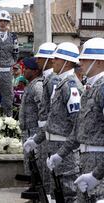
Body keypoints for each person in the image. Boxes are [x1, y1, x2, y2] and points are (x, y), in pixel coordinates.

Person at [47, 38, 104, 202]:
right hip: (86, 162)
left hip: (98, 165)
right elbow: (78, 130)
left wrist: (96, 174)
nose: (80, 62)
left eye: (85, 59)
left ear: (99, 62)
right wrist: (60, 154)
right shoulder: (90, 89)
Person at [31, 42, 82, 202]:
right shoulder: (61, 84)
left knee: (68, 195)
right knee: (56, 195)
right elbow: (54, 121)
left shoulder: (70, 86)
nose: (53, 61)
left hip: (65, 153)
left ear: (66, 62)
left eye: (56, 58)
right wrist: (36, 139)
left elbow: (77, 124)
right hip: (55, 149)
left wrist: (61, 153)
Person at [23, 42, 58, 195]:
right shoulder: (46, 79)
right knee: (42, 172)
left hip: (45, 132)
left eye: (40, 58)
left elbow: (50, 110)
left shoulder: (51, 80)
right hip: (43, 132)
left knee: (48, 177)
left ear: (49, 59)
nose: (37, 61)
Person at [18, 58, 43, 180]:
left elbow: (42, 109)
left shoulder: (38, 86)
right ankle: (32, 182)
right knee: (30, 160)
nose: (24, 71)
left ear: (35, 71)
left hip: (34, 131)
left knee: (36, 161)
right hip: (27, 130)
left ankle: (36, 185)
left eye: (27, 69)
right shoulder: (30, 85)